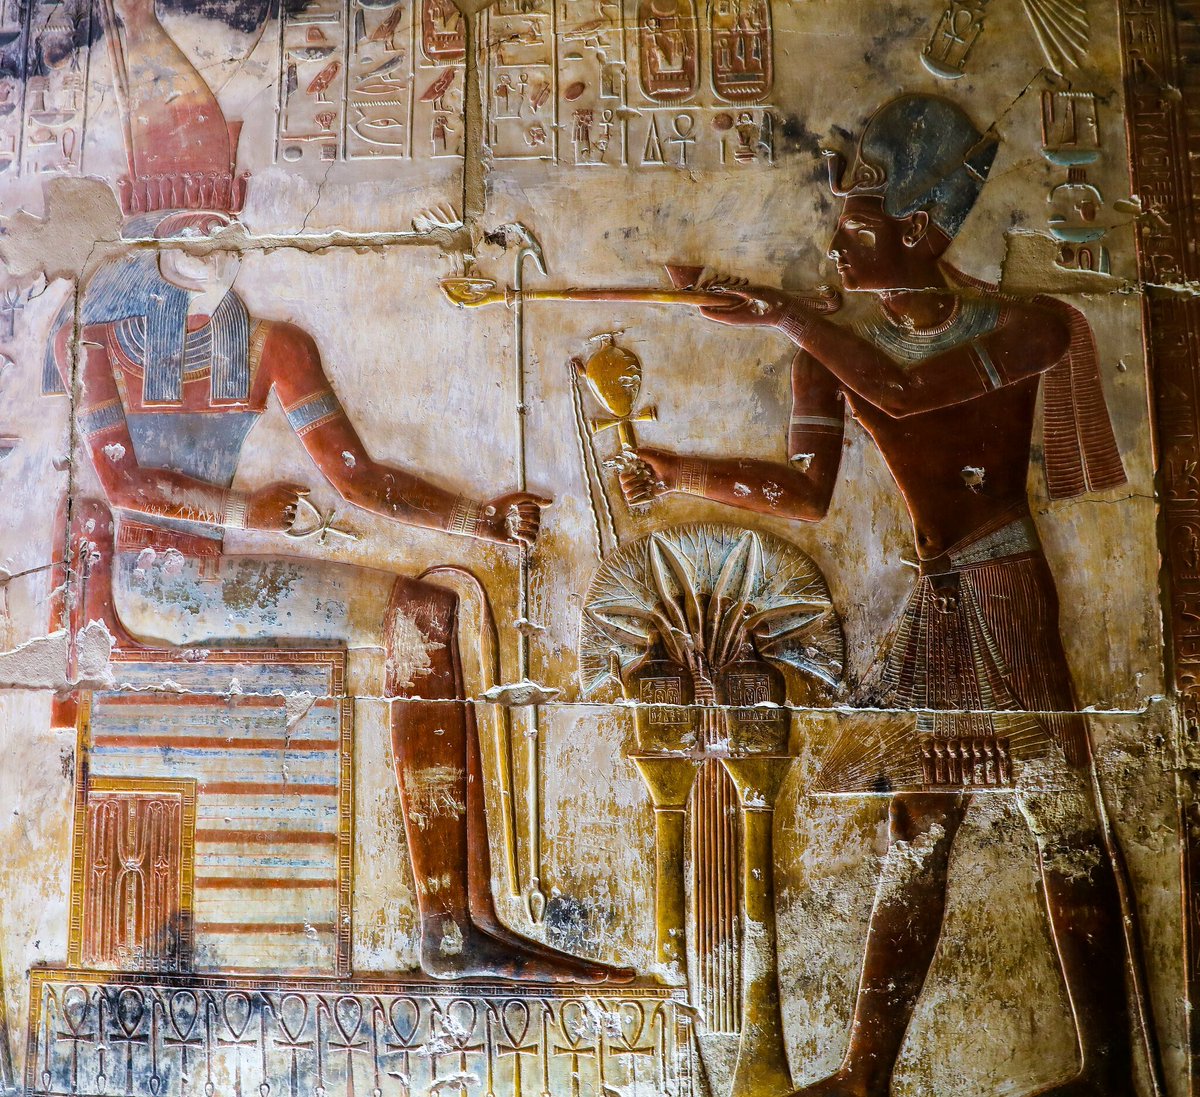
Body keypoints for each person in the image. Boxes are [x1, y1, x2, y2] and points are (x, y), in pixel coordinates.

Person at [43, 0, 630, 986]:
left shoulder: (273, 343)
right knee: (418, 620)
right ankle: (448, 925)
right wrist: (244, 513)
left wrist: (477, 519)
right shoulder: (94, 338)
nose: (210, 246)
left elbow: (356, 478)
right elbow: (122, 482)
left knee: (433, 612)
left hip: (217, 575)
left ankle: (464, 914)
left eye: (222, 226)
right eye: (187, 229)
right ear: (148, 234)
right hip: (155, 585)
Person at [619, 94, 1140, 1094]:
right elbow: (804, 492)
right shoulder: (834, 343)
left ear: (924, 231)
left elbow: (906, 391)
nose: (839, 253)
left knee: (1061, 817)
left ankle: (1109, 1070)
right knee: (918, 821)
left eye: (859, 233)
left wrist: (789, 316)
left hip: (1003, 585)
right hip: (941, 598)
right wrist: (679, 471)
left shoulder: (1025, 326)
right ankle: (865, 1074)